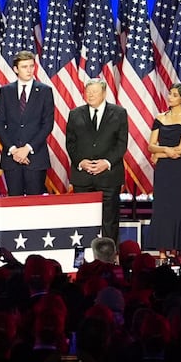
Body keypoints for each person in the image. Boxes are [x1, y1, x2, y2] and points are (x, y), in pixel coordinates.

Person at [66, 78, 129, 240]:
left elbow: (121, 144)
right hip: (82, 177)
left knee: (109, 220)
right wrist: (81, 162)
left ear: (104, 93)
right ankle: (83, 256)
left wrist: (106, 163)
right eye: (88, 92)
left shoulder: (119, 113)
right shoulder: (75, 114)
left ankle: (109, 257)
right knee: (83, 220)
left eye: (94, 92)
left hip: (109, 176)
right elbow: (70, 144)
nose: (90, 95)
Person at [0, 51, 54, 197]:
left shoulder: (45, 91)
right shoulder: (6, 91)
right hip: (12, 159)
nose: (29, 70)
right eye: (24, 67)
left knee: (34, 204)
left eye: (31, 66)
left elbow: (47, 124)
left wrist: (27, 148)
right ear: (15, 69)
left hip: (36, 157)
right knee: (14, 203)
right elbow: (0, 124)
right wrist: (14, 150)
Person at [147, 85, 181, 252]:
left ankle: (175, 249)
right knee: (161, 207)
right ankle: (161, 250)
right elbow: (151, 146)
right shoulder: (160, 117)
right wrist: (164, 151)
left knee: (177, 206)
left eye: (174, 95)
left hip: (178, 169)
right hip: (163, 170)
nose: (170, 97)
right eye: (170, 93)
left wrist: (159, 154)